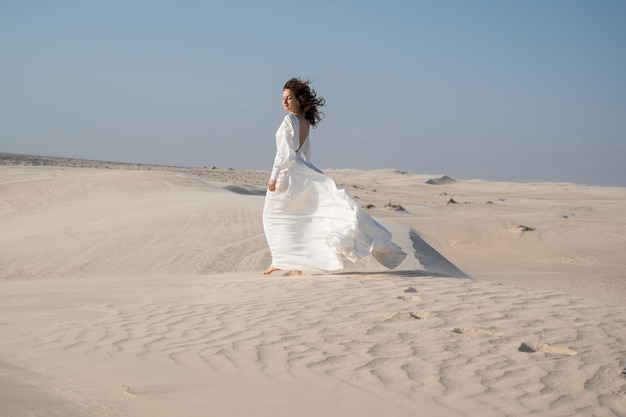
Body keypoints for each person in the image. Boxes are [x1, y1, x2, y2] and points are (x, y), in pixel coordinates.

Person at [263, 78, 406, 276]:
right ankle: (293, 264)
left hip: (288, 173)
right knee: (300, 218)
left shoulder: (290, 120)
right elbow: (305, 152)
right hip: (300, 170)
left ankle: (282, 260)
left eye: (289, 98)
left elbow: (283, 153)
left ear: (299, 100)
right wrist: (307, 170)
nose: (285, 102)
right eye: (283, 98)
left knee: (274, 216)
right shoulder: (304, 121)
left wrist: (274, 177)